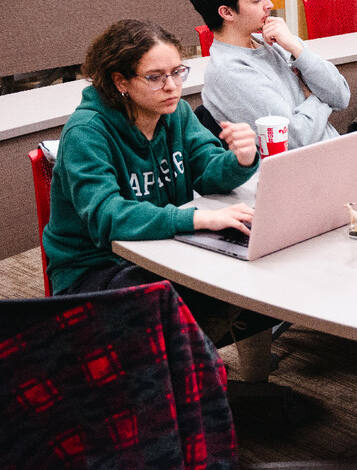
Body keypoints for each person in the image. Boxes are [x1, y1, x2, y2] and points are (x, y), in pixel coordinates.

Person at [42, 19, 272, 349]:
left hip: (166, 249)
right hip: (95, 270)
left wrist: (241, 159)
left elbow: (207, 171)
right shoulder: (86, 132)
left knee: (254, 265)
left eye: (178, 72)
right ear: (120, 81)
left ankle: (220, 375)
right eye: (155, 77)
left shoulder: (174, 113)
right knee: (184, 297)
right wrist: (196, 219)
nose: (172, 87)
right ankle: (186, 385)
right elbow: (108, 216)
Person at [188, 0, 350, 149]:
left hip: (335, 155)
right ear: (227, 13)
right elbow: (295, 138)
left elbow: (340, 96)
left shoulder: (275, 40)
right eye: (257, 0)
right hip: (304, 170)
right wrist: (318, 98)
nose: (269, 3)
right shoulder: (229, 72)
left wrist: (297, 49)